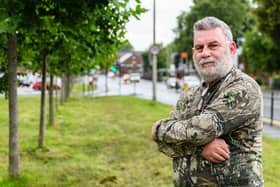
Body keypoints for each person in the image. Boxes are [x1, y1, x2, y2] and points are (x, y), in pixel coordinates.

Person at [151, 16, 263, 187]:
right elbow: (163, 140)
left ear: (231, 48)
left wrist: (162, 130)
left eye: (213, 45)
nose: (205, 53)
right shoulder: (190, 95)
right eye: (199, 47)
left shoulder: (244, 89)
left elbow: (201, 129)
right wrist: (199, 148)